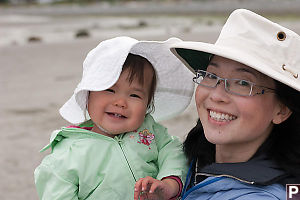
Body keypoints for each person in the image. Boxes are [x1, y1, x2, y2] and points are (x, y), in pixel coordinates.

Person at [34, 36, 195, 200]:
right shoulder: (68, 154)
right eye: (110, 90)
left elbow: (174, 152)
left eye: (134, 95)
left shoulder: (151, 132)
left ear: (147, 105)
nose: (120, 102)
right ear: (88, 94)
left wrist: (168, 185)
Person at [170, 9, 300, 199]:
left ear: (282, 110)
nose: (217, 95)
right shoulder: (187, 163)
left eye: (243, 83)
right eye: (210, 75)